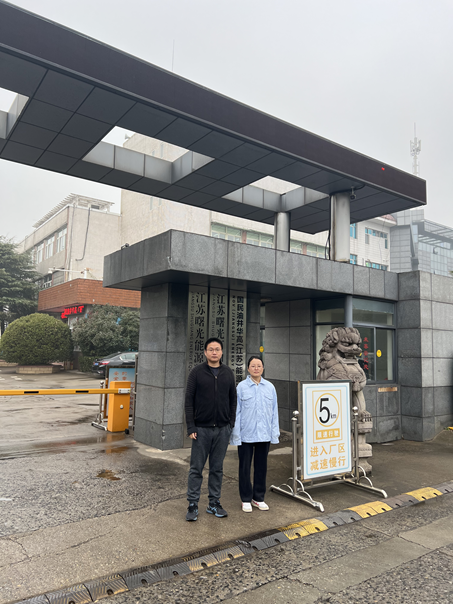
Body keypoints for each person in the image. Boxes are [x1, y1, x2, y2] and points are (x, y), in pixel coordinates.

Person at [185, 337, 237, 522]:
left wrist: (230, 423)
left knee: (217, 469)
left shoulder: (228, 373)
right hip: (201, 429)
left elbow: (233, 400)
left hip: (222, 429)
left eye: (217, 349)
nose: (214, 352)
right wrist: (191, 426)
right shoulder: (197, 372)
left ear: (222, 352)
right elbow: (189, 400)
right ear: (205, 352)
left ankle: (214, 503)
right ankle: (192, 504)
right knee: (196, 469)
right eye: (211, 349)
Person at [230, 356, 279, 512]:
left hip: (264, 434)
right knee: (244, 467)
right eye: (253, 366)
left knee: (261, 467)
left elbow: (274, 412)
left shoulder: (270, 387)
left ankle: (258, 497)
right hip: (246, 434)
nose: (256, 368)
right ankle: (245, 498)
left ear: (263, 368)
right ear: (248, 368)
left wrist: (274, 433)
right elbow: (236, 412)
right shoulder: (241, 387)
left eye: (259, 366)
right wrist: (236, 434)